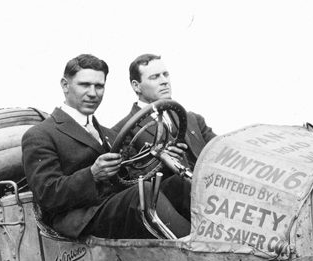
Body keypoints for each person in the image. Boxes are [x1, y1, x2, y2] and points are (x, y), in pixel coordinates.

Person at [22, 54, 190, 240]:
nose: (93, 93)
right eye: (84, 85)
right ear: (65, 85)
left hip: (113, 205)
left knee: (179, 184)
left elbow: (132, 179)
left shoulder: (108, 133)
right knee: (143, 194)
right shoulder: (40, 134)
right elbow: (47, 196)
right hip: (80, 218)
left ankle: (216, 241)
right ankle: (198, 250)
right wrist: (91, 174)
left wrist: (162, 158)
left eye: (99, 86)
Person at [111, 54, 216, 177]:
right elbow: (131, 179)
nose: (164, 81)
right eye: (155, 77)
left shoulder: (193, 119)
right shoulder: (121, 132)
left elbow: (222, 149)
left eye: (165, 75)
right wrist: (163, 160)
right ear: (136, 86)